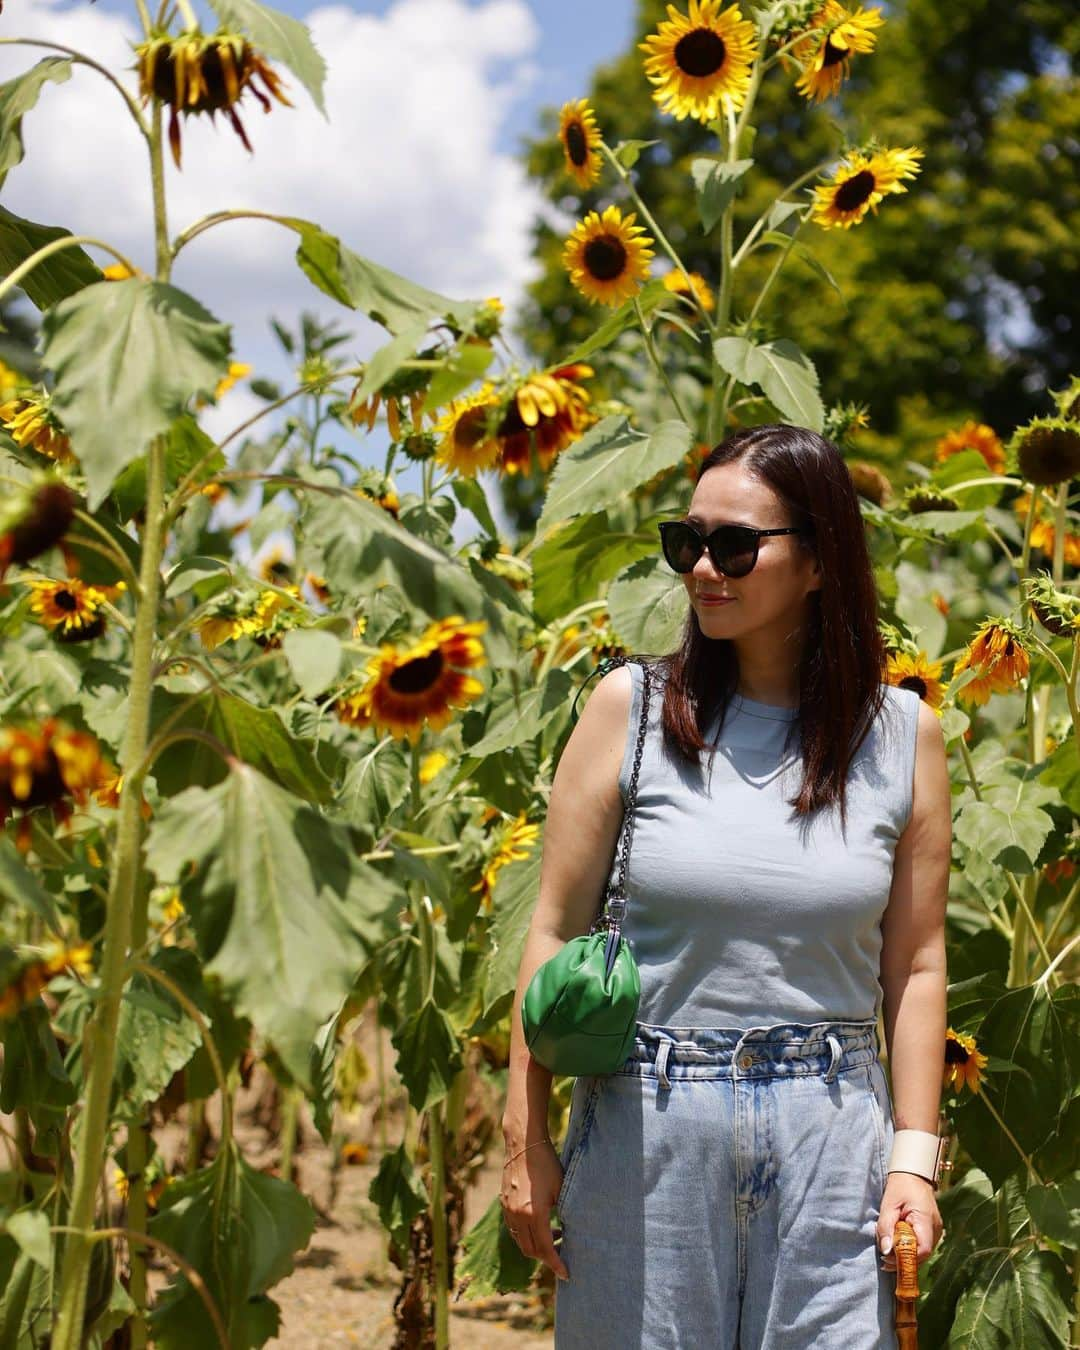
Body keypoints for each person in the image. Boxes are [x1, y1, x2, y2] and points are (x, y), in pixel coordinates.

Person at [499, 424, 951, 1347]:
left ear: (820, 562)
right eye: (687, 542)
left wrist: (914, 1158)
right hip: (644, 1128)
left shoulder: (903, 736)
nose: (704, 567)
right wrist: (527, 1141)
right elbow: (549, 932)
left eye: (735, 545)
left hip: (832, 1140)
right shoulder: (630, 710)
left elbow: (916, 967)